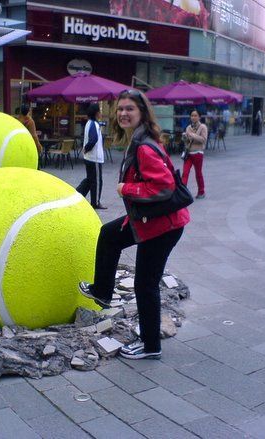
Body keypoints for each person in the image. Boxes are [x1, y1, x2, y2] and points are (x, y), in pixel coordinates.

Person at [78, 90, 190, 360]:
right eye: (120, 109)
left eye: (130, 109)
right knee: (108, 234)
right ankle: (102, 292)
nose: (124, 113)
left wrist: (126, 188)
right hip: (148, 218)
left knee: (145, 284)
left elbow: (164, 186)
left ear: (141, 112)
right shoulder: (139, 140)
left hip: (163, 225)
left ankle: (151, 346)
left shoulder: (143, 146)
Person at [76, 103, 106, 209]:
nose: (100, 113)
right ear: (96, 113)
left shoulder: (89, 123)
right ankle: (96, 202)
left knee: (90, 180)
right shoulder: (94, 124)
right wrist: (87, 148)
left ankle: (78, 193)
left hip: (89, 157)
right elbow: (93, 139)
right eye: (99, 111)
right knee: (97, 181)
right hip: (95, 158)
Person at [182, 110, 208, 199]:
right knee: (185, 173)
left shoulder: (203, 127)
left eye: (195, 115)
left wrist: (191, 135)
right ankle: (182, 193)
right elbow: (187, 142)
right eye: (192, 115)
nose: (193, 117)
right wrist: (185, 137)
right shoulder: (188, 127)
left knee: (198, 173)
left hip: (198, 153)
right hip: (188, 153)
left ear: (199, 117)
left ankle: (201, 192)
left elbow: (203, 140)